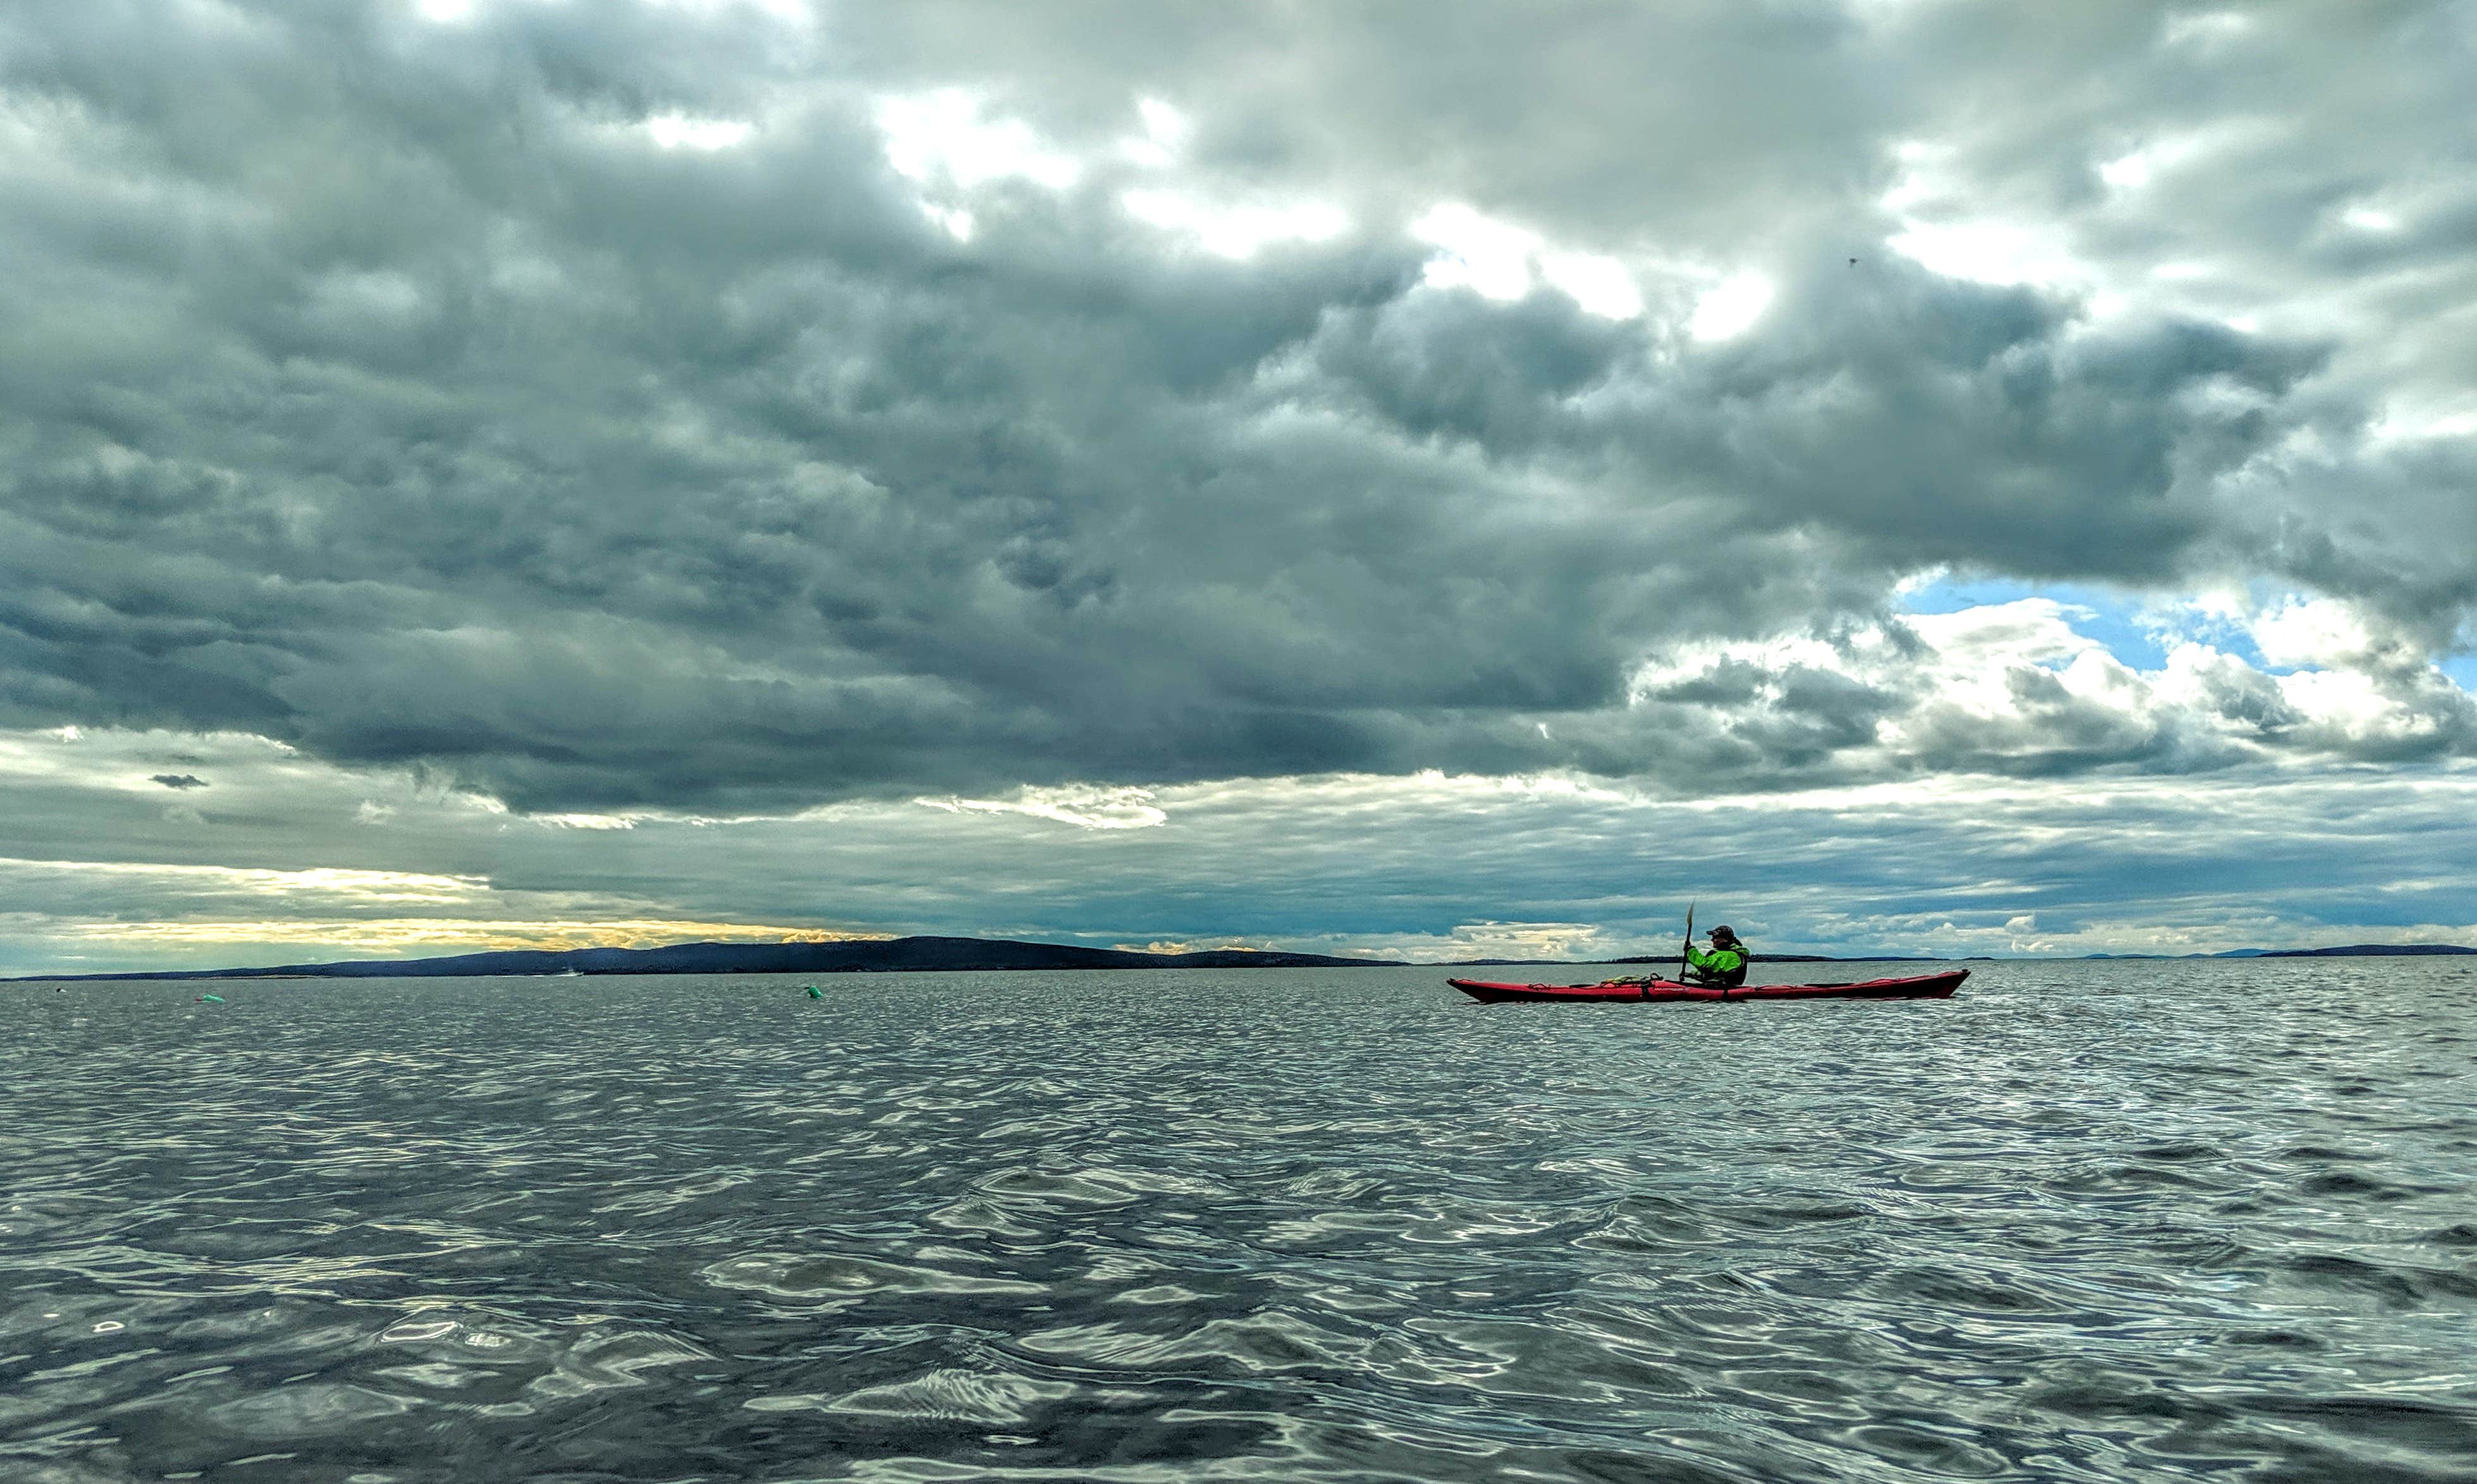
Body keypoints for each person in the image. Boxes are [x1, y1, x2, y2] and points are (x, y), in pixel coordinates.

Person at [1683, 925, 1749, 988]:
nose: (1712, 940)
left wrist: (1690, 950)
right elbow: (1711, 974)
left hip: (1724, 989)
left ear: (1726, 939)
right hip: (1719, 987)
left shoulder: (1729, 955)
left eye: (1716, 937)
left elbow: (1704, 965)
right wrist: (1691, 974)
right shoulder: (1728, 953)